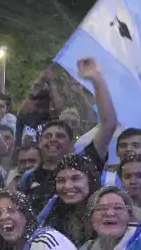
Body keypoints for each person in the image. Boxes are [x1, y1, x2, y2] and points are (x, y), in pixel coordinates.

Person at [19, 59, 116, 214]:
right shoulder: (28, 178)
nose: (53, 139)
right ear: (39, 143)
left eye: (60, 136)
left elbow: (109, 124)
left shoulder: (84, 164)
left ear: (71, 143)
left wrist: (97, 79)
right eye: (47, 136)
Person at [37, 153, 101, 246]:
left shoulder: (106, 212)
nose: (67, 186)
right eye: (61, 180)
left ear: (90, 181)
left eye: (75, 179)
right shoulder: (51, 214)